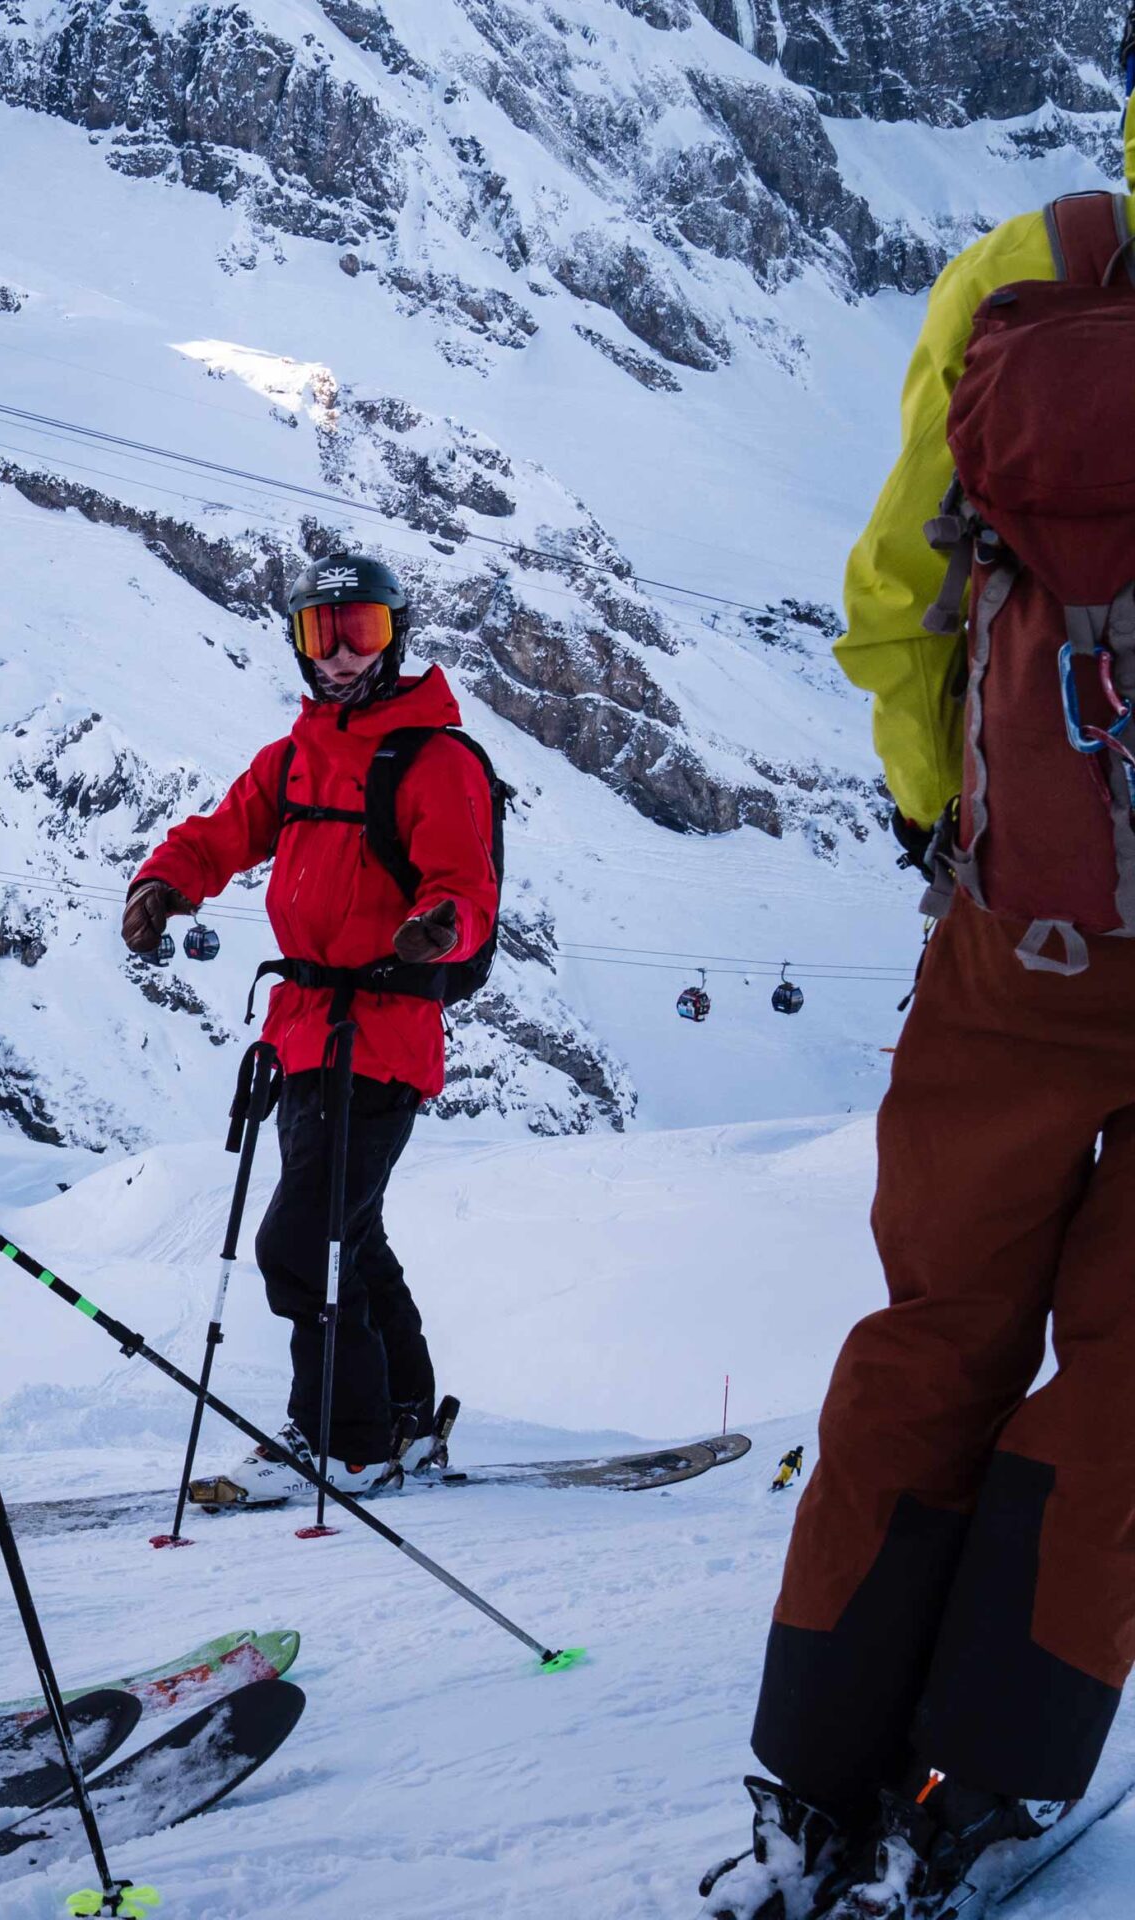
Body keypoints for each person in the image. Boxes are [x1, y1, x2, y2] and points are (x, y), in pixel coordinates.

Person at [700, 20, 1135, 1918]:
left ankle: (818, 1776)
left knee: (936, 1331)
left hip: (1013, 938)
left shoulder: (1034, 262)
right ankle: (985, 1785)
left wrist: (938, 822)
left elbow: (899, 591)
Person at [124, 554, 497, 1497]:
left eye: (359, 630)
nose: (338, 656)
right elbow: (224, 831)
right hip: (300, 1031)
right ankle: (406, 1418)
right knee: (350, 1235)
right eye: (318, 634)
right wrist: (166, 882)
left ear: (396, 634)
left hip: (380, 1031)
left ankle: (344, 1442)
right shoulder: (294, 756)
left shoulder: (433, 758)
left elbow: (464, 883)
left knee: (305, 1243)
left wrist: (439, 925)